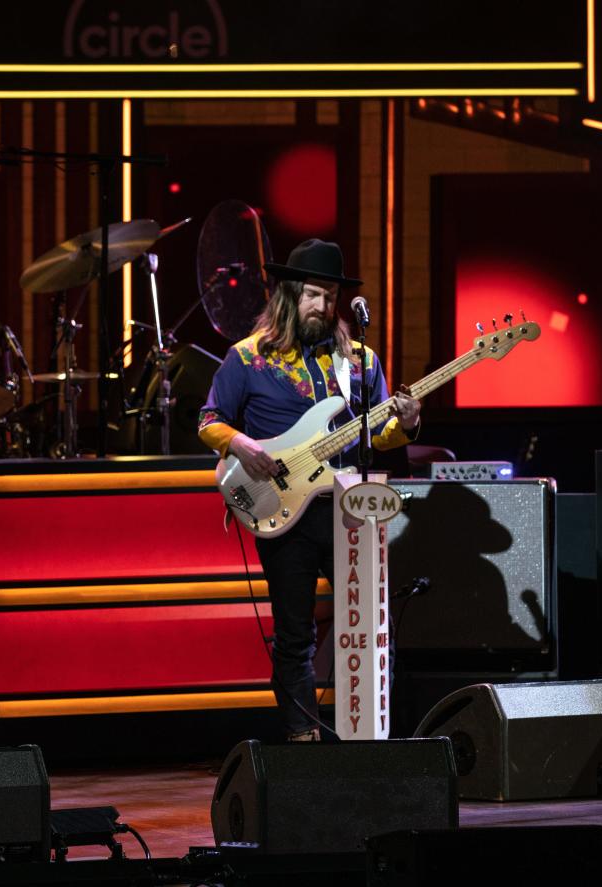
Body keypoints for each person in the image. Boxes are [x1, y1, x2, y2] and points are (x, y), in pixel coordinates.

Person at [198, 239, 420, 741]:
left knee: (366, 628)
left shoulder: (361, 361)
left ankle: (363, 732)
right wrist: (243, 445)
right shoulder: (247, 358)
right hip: (281, 506)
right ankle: (302, 736)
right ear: (288, 294)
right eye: (313, 295)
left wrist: (406, 423)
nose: (323, 306)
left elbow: (378, 434)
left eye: (331, 296)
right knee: (295, 633)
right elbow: (208, 420)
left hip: (349, 506)